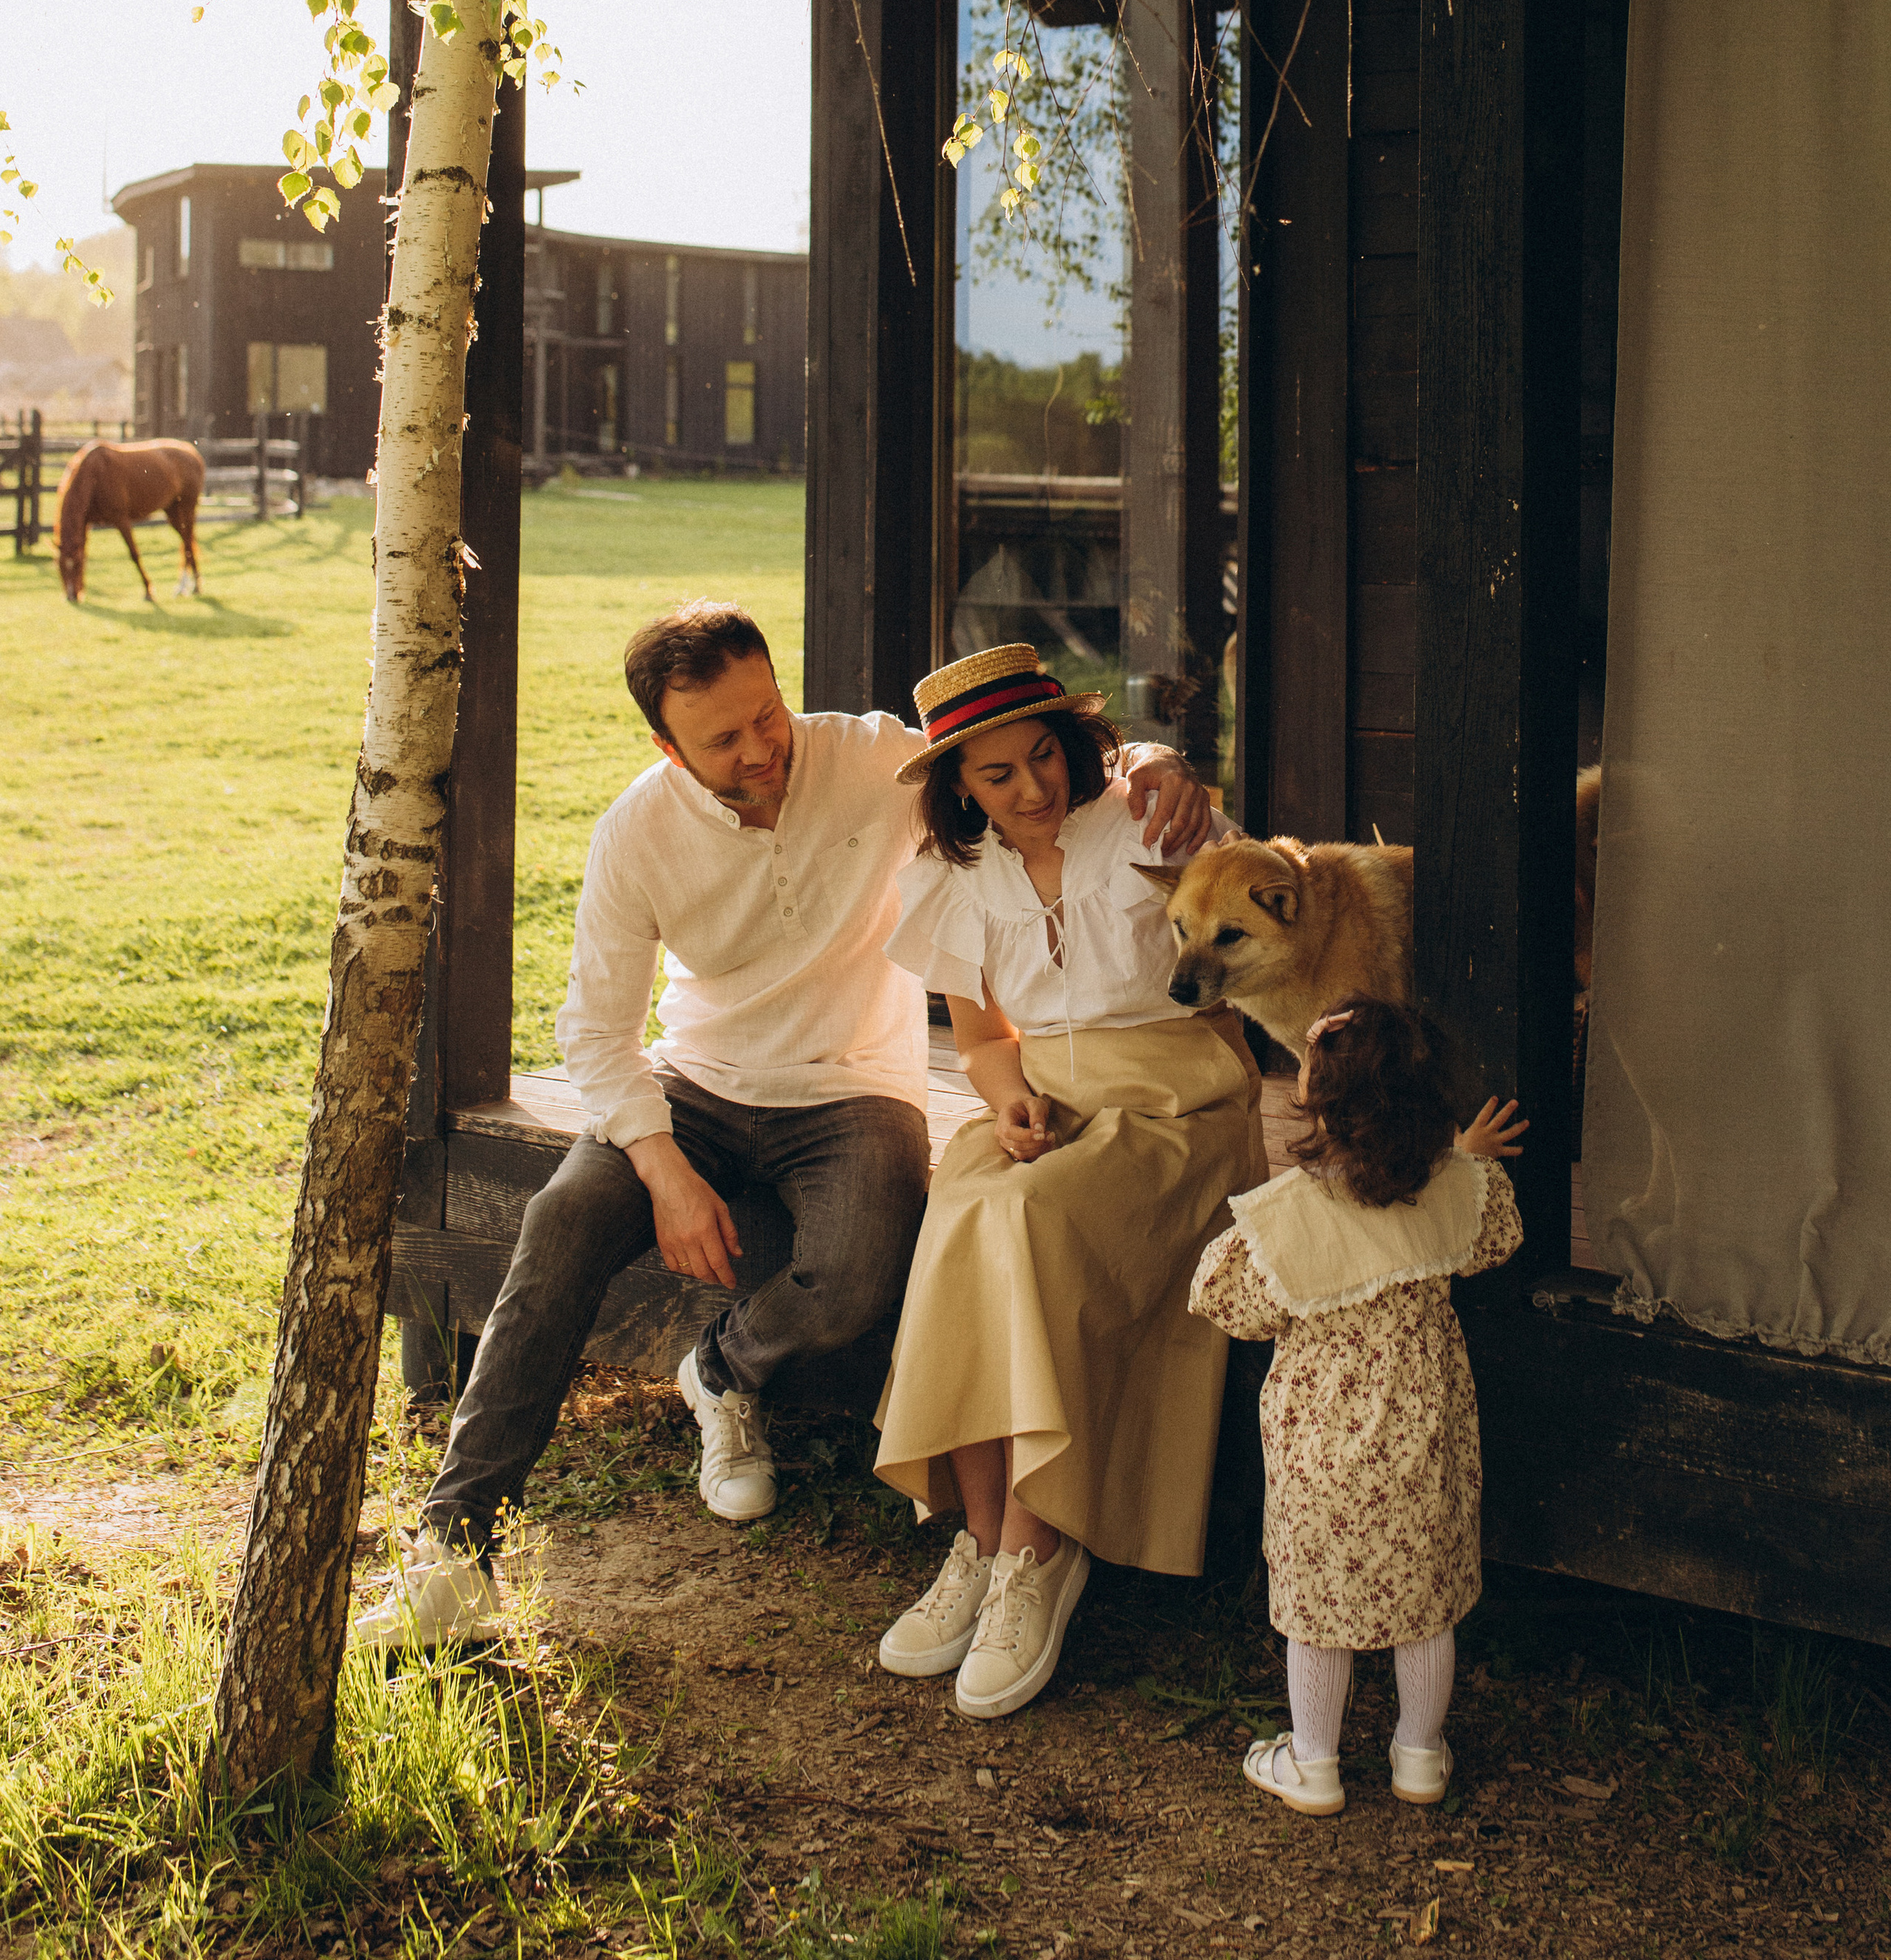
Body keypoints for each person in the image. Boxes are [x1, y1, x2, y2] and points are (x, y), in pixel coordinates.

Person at [355, 604, 1209, 1650]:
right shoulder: (637, 831)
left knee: (860, 1267)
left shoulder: (871, 760)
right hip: (697, 1086)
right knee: (561, 1219)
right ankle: (455, 1551)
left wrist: (1157, 759)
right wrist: (662, 1169)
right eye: (723, 738)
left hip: (854, 1092)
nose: (762, 748)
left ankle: (723, 1368)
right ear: (666, 747)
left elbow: (1016, 753)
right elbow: (596, 1032)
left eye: (768, 714)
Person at [869, 645, 1267, 1721]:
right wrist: (1008, 1104)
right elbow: (984, 1043)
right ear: (960, 786)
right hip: (1049, 1103)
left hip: (1178, 1107)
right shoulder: (959, 877)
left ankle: (1040, 1550)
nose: (1033, 789)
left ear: (1075, 745)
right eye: (997, 775)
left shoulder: (1150, 823)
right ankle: (982, 1541)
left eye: (1044, 756)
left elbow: (1263, 942)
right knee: (965, 1208)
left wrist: (1165, 764)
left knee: (1027, 1217)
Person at [1187, 997, 1524, 1817]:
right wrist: (1463, 1157)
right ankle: (1419, 1757)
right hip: (1424, 1445)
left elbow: (1225, 1302)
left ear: (1315, 1102)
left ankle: (1314, 1764)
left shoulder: (1291, 1219)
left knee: (1317, 1613)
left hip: (1321, 1457)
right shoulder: (1454, 1189)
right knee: (1427, 1607)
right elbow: (1492, 1233)